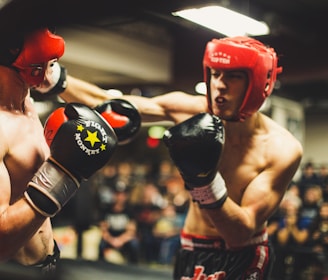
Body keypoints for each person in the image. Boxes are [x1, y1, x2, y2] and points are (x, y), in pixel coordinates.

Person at [56, 36, 303, 279]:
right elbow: (108, 104)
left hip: (242, 256)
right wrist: (52, 77)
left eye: (234, 76)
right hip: (191, 247)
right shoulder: (192, 110)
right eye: (215, 74)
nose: (220, 84)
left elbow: (240, 233)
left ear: (260, 83)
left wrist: (204, 181)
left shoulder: (281, 149)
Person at [0, 27, 143, 279]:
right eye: (47, 64)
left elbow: (71, 87)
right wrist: (62, 172)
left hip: (49, 263)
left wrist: (107, 116)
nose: (51, 71)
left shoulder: (28, 104)